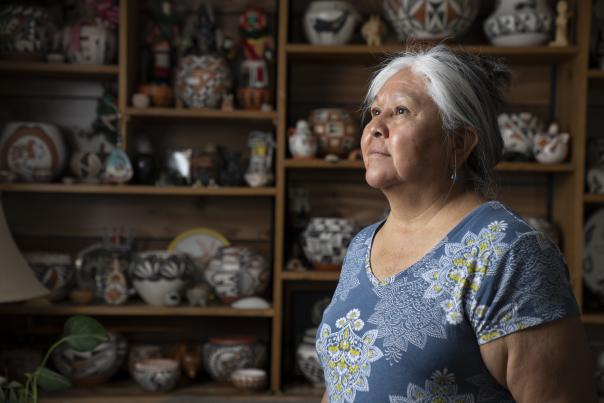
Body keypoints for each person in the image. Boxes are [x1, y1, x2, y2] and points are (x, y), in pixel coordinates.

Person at [317, 45, 595, 402]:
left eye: (401, 111)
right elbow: (343, 383)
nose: (375, 127)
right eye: (374, 112)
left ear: (459, 142)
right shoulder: (361, 246)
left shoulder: (509, 254)